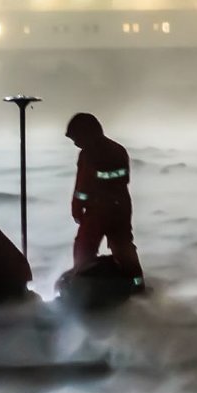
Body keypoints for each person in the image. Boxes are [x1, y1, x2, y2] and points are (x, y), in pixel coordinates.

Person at [64, 112, 143, 289]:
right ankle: (138, 284)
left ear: (86, 133)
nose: (76, 143)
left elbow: (82, 186)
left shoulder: (89, 154)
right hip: (121, 207)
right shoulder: (118, 149)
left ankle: (81, 283)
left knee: (85, 246)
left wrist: (77, 209)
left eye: (76, 138)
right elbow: (123, 180)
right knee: (123, 247)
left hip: (98, 209)